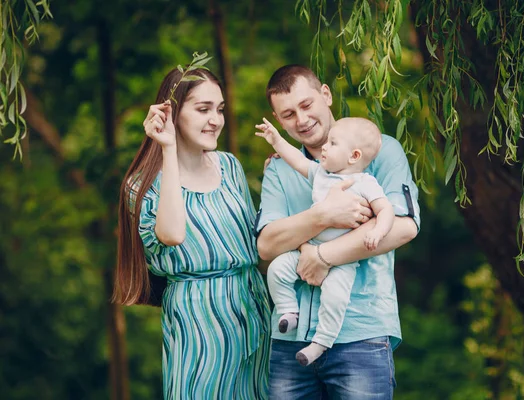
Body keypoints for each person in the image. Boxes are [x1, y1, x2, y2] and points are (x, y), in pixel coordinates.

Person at [256, 65, 420, 399]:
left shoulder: (381, 150)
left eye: (306, 105)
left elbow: (403, 226)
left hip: (361, 333)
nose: (301, 120)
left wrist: (322, 256)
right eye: (287, 114)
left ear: (326, 95)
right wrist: (324, 215)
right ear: (277, 118)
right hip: (290, 342)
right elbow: (267, 244)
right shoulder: (279, 167)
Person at [112, 67, 270, 399]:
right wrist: (168, 149)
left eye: (220, 109)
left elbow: (258, 242)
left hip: (252, 307)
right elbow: (171, 235)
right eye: (203, 109)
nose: (216, 119)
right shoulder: (140, 186)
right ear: (171, 113)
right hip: (197, 320)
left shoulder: (229, 167)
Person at [255, 116, 395, 366]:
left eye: (333, 143)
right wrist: (276, 140)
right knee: (277, 270)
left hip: (342, 260)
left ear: (353, 156)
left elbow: (386, 210)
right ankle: (289, 310)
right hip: (309, 249)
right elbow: (297, 160)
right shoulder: (320, 173)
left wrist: (377, 232)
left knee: (335, 298)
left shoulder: (365, 183)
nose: (325, 147)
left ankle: (321, 342)